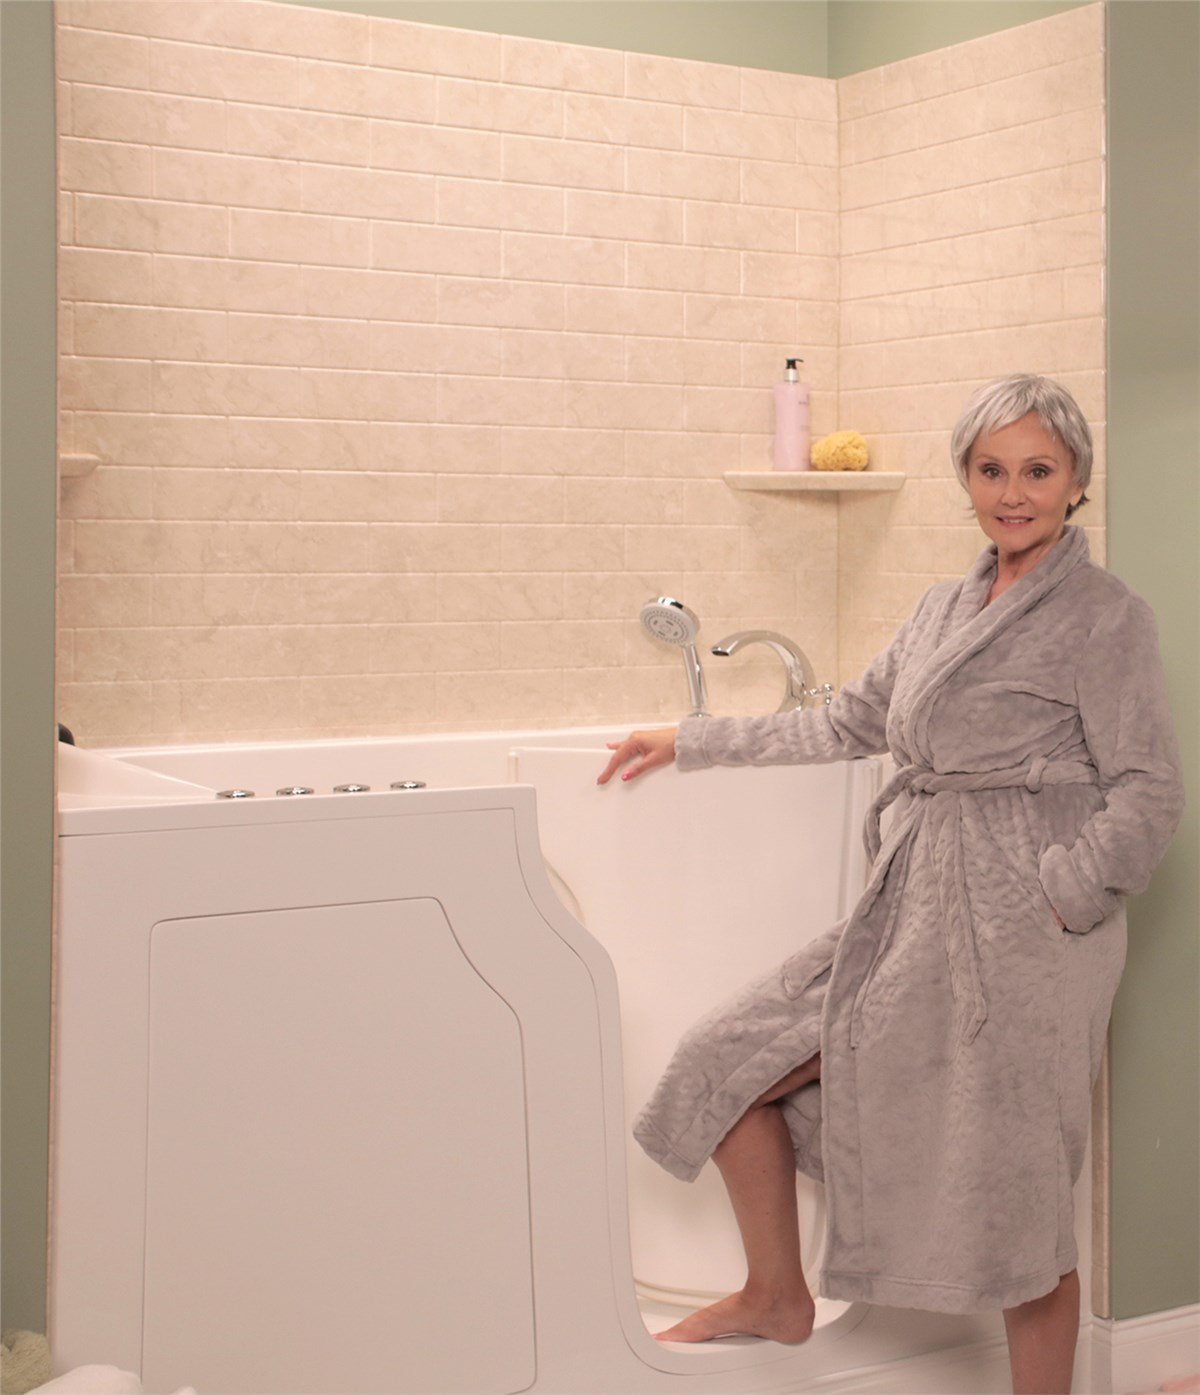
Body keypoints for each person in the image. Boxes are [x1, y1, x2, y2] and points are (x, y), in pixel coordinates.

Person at [596, 374, 1186, 1395]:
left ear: (1077, 480)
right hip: (911, 903)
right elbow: (843, 721)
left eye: (1037, 470)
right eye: (992, 469)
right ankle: (776, 1296)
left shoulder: (1105, 617)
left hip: (1026, 934)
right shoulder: (942, 606)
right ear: (965, 477)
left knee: (1017, 1184)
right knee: (727, 1060)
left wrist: (1058, 898)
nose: (1014, 492)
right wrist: (689, 739)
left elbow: (1149, 791)